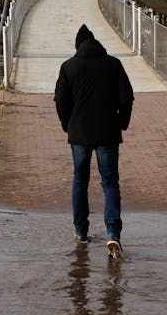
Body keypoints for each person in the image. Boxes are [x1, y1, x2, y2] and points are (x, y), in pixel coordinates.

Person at [55, 23, 134, 258]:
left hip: (79, 133)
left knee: (80, 180)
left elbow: (60, 101)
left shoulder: (68, 67)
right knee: (110, 183)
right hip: (107, 133)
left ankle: (81, 231)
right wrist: (122, 122)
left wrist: (66, 124)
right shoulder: (113, 65)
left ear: (78, 46)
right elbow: (127, 98)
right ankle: (113, 233)